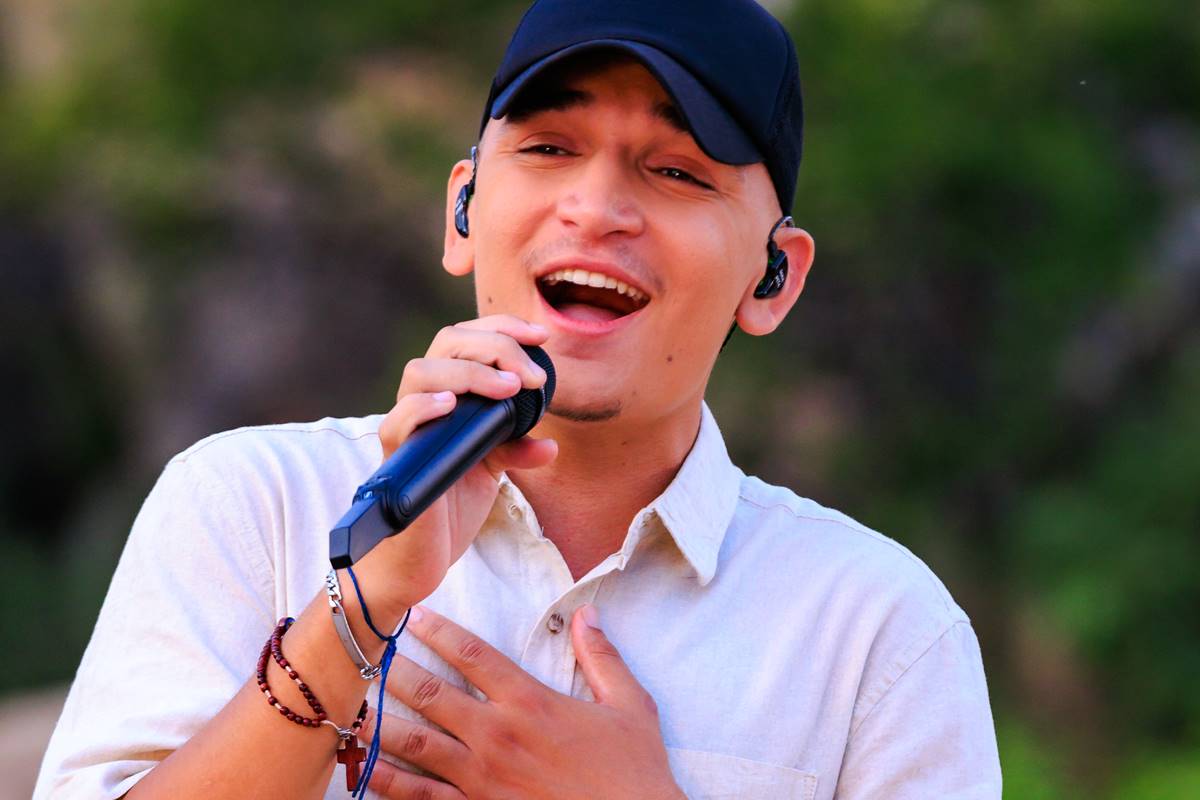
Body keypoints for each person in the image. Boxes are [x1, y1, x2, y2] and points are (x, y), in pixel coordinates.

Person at [35, 0, 1002, 798]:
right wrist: (359, 606)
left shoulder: (880, 632)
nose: (595, 208)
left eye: (675, 171)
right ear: (461, 210)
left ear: (773, 278)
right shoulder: (249, 504)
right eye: (547, 148)